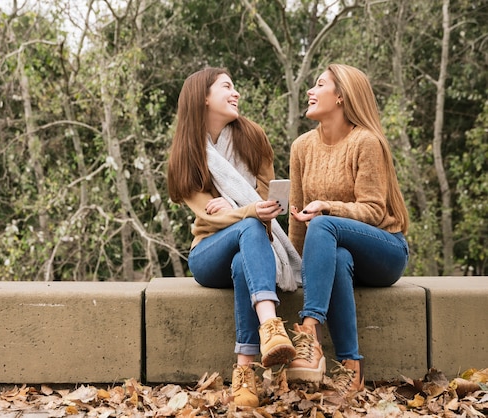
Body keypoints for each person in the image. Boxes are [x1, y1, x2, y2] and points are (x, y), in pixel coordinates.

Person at [167, 67, 302, 407]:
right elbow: (208, 218)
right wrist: (245, 210)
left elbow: (266, 210)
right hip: (207, 254)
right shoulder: (187, 151)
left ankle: (245, 374)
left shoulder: (253, 137)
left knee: (247, 251)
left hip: (255, 247)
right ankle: (271, 325)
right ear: (204, 97)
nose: (236, 93)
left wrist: (244, 208)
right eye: (227, 87)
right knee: (248, 224)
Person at [286, 64, 410, 395]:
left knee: (324, 224)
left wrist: (327, 206)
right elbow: (297, 219)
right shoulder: (301, 147)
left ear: (341, 96)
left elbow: (373, 211)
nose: (310, 92)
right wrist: (297, 270)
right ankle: (350, 369)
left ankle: (309, 331)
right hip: (336, 254)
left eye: (319, 84)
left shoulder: (366, 141)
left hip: (384, 250)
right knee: (337, 256)